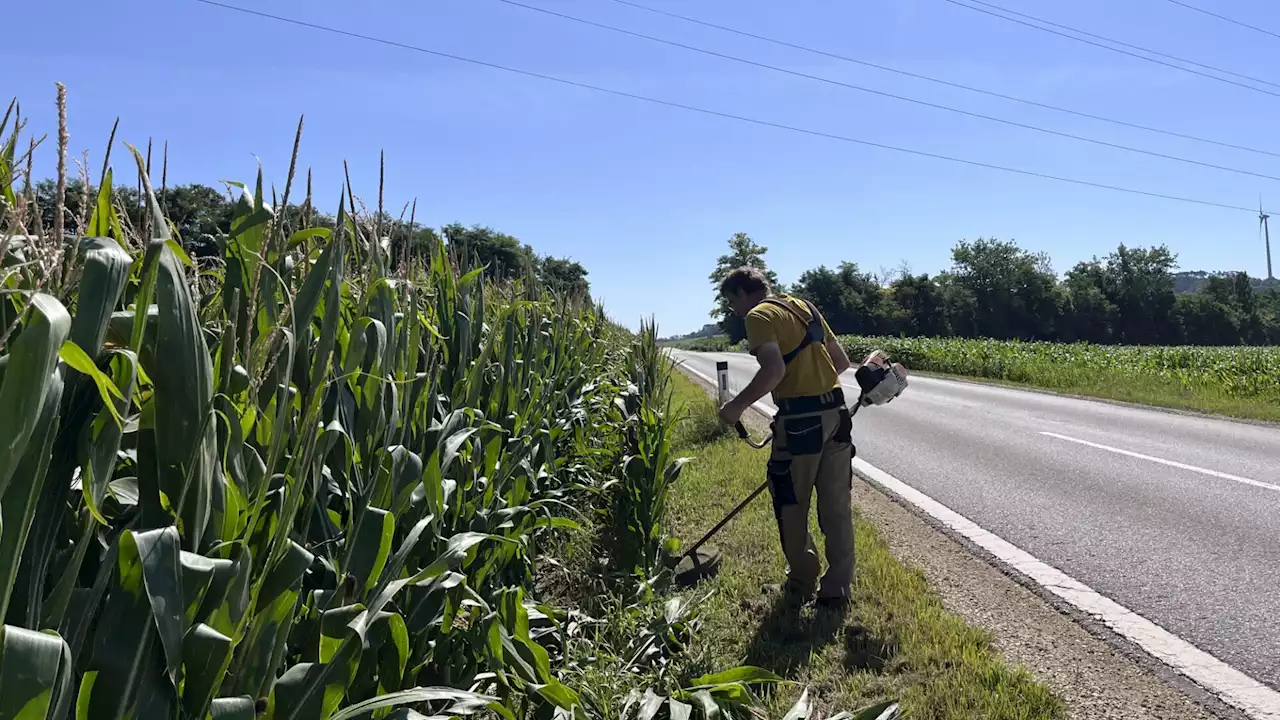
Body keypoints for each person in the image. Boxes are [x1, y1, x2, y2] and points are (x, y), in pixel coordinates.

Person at [716, 266, 855, 609]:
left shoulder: (759, 316)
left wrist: (735, 407)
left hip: (799, 425)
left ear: (743, 293)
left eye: (731, 301)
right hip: (836, 417)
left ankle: (802, 579)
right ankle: (837, 587)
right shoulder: (804, 307)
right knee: (836, 507)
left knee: (791, 504)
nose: (733, 309)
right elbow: (841, 362)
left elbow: (774, 370)